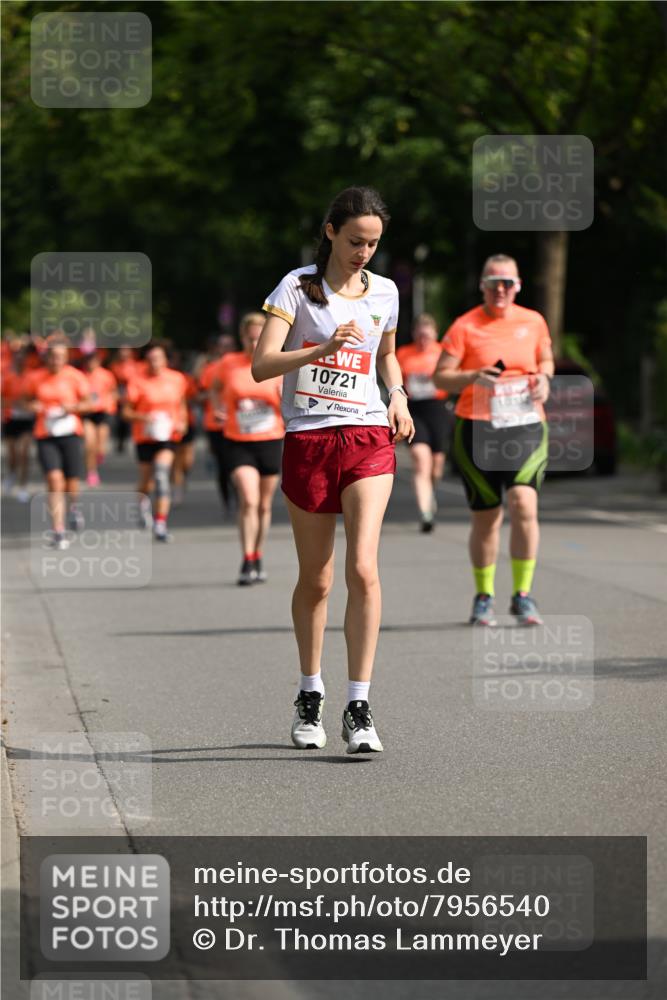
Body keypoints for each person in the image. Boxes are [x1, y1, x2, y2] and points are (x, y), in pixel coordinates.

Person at [253, 186, 414, 754]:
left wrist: (397, 394)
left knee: (363, 569)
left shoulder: (386, 291)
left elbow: (386, 353)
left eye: (373, 243)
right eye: (354, 241)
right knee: (317, 579)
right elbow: (261, 366)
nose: (363, 252)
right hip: (310, 438)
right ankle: (310, 690)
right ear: (330, 232)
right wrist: (320, 350)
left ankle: (359, 705)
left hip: (367, 435)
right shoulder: (297, 288)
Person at [433, 254, 554, 626]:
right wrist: (472, 376)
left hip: (525, 424)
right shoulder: (465, 326)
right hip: (477, 427)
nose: (500, 289)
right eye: (493, 283)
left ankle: (523, 595)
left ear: (518, 286)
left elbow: (546, 361)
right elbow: (440, 377)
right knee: (486, 517)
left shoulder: (533, 321)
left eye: (507, 283)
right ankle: (484, 596)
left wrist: (545, 379)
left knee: (523, 503)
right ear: (482, 286)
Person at [212, 313, 284, 584]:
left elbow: (293, 399)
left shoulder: (278, 362)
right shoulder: (228, 363)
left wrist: (283, 401)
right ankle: (247, 558)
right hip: (238, 440)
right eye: (250, 338)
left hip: (270, 439)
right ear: (242, 338)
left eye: (259, 338)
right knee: (249, 500)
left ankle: (258, 554)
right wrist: (218, 408)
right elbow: (215, 389)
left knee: (264, 505)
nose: (254, 344)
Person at [22, 340, 92, 549]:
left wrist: (74, 407)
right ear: (46, 357)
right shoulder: (35, 377)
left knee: (71, 484)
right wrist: (32, 406)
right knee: (54, 480)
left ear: (66, 357)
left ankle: (73, 508)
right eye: (53, 356)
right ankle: (58, 530)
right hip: (45, 434)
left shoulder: (75, 376)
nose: (56, 360)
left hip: (70, 432)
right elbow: (24, 400)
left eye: (61, 356)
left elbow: (89, 403)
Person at [122, 343, 188, 542]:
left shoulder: (176, 379)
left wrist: (182, 422)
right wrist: (143, 417)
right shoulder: (137, 381)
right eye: (150, 359)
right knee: (146, 481)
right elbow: (126, 412)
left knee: (160, 474)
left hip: (167, 435)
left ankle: (160, 523)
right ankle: (142, 504)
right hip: (144, 436)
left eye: (158, 358)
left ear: (165, 360)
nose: (154, 363)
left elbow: (181, 404)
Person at [396, 313, 453, 532]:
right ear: (414, 335)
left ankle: (430, 492)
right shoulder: (404, 354)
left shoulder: (442, 352)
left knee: (436, 467)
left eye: (427, 336)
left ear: (435, 335)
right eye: (420, 336)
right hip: (414, 411)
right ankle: (425, 513)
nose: (423, 340)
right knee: (421, 460)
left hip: (438, 409)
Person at [1, 346, 36, 501]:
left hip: (27, 420)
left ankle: (23, 485)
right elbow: (2, 399)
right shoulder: (8, 378)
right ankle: (11, 475)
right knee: (12, 454)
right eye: (18, 359)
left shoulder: (32, 377)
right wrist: (13, 403)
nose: (20, 362)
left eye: (23, 360)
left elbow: (37, 397)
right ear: (14, 361)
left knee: (24, 453)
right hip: (11, 419)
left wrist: (29, 404)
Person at [79, 349, 118, 486]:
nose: (91, 363)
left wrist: (110, 402)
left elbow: (114, 392)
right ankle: (92, 472)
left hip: (103, 412)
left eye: (93, 360)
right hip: (87, 413)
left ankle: (98, 454)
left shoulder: (106, 375)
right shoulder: (80, 376)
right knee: (90, 444)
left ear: (98, 361)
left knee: (100, 446)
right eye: (88, 361)